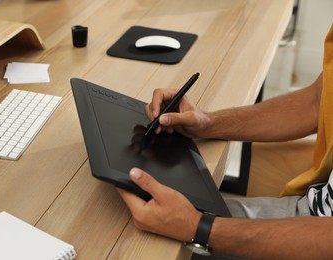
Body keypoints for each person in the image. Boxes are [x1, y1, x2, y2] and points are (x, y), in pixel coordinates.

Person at [117, 24, 333, 259]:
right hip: (311, 212)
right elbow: (317, 102)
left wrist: (198, 227)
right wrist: (207, 123)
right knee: (132, 221)